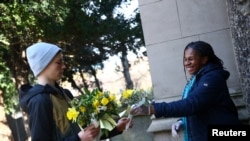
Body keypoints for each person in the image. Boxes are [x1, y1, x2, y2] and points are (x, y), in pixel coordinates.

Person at [19, 42, 132, 141]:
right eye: (58, 62)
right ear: (43, 65)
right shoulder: (40, 100)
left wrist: (116, 127)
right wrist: (78, 139)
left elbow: (87, 132)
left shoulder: (65, 94)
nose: (64, 66)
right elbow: (81, 136)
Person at [130, 41, 241, 141]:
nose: (186, 63)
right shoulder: (198, 78)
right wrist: (181, 121)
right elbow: (200, 108)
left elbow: (192, 104)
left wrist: (152, 109)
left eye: (191, 59)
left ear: (204, 59)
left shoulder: (212, 78)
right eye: (185, 59)